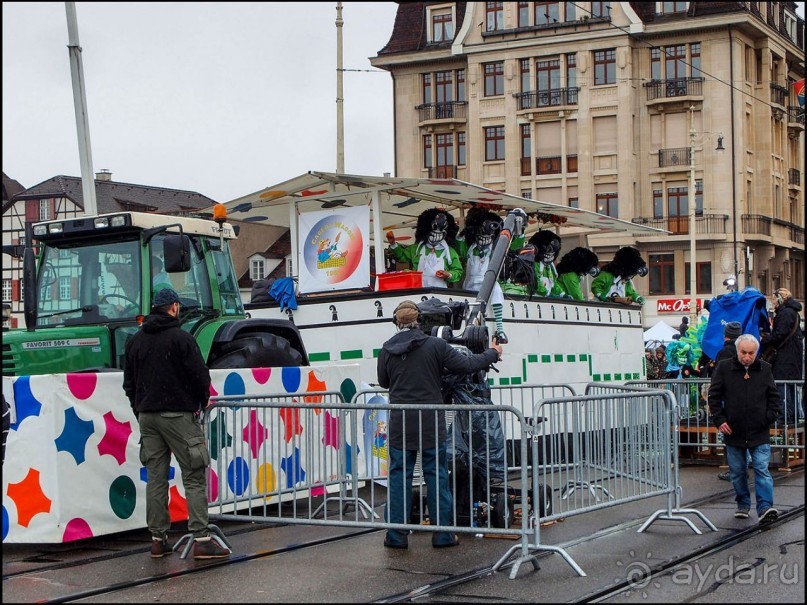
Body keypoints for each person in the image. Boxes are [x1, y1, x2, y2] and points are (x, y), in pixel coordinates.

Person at [377, 300, 503, 549]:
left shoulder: (386, 349)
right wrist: (492, 353)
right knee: (436, 475)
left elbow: (383, 382)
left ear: (396, 322)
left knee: (399, 476)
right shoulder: (436, 346)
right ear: (419, 321)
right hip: (430, 421)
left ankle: (396, 536)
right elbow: (467, 365)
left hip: (400, 421)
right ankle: (443, 534)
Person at [122, 288, 230, 559]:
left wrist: (141, 409)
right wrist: (200, 401)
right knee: (193, 475)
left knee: (156, 479)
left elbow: (129, 384)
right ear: (173, 307)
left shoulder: (135, 342)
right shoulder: (182, 339)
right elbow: (199, 377)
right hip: (179, 415)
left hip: (147, 416)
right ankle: (202, 539)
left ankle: (158, 540)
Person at [708, 334, 780, 525]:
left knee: (761, 469)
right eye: (744, 353)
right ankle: (743, 503)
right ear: (737, 351)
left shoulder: (765, 369)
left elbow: (774, 398)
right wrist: (720, 419)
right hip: (734, 431)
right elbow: (713, 397)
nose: (747, 357)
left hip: (759, 431)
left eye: (751, 353)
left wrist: (769, 417)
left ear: (756, 352)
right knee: (738, 471)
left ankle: (765, 507)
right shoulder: (724, 367)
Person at [386, 208, 464, 288]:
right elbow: (401, 256)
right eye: (433, 232)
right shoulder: (416, 248)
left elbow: (458, 271)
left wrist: (448, 275)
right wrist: (393, 243)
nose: (436, 234)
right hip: (419, 291)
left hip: (440, 293)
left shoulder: (450, 252)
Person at [760, 288, 804, 423]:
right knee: (790, 386)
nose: (773, 303)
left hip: (785, 357)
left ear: (780, 299)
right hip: (792, 357)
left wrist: (765, 340)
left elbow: (780, 334)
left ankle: (784, 416)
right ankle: (793, 417)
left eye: (774, 300)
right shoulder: (793, 313)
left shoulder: (785, 313)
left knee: (782, 385)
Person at [710, 321, 743, 481]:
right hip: (743, 398)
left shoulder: (723, 353)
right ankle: (740, 467)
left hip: (728, 398)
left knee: (730, 434)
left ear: (726, 336)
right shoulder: (745, 351)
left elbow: (717, 378)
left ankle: (735, 470)